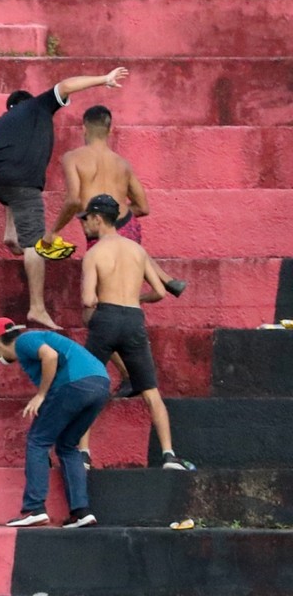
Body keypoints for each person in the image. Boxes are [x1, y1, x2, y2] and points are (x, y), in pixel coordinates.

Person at [0, 67, 129, 330]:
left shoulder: (2, 122)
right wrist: (103, 79)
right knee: (35, 243)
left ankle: (10, 233)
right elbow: (66, 85)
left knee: (15, 192)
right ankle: (37, 307)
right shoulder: (37, 107)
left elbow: (4, 168)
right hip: (21, 182)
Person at [78, 194, 195, 470]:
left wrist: (104, 301)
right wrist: (133, 299)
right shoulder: (137, 250)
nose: (84, 225)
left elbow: (87, 299)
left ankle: (83, 453)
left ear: (97, 218)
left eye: (86, 220)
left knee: (85, 384)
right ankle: (169, 454)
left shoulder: (94, 253)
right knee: (150, 390)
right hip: (132, 319)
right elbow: (158, 292)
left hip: (105, 319)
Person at [42, 104, 186, 297]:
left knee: (102, 294)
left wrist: (53, 231)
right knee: (125, 284)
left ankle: (162, 282)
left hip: (99, 230)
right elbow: (143, 207)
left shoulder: (73, 158)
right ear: (110, 130)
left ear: (83, 128)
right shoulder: (122, 163)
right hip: (127, 225)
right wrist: (115, 216)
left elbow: (74, 200)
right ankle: (165, 280)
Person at [0, 317, 110, 528]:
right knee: (68, 445)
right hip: (100, 385)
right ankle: (81, 512)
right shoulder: (30, 348)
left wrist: (41, 395)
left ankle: (34, 508)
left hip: (75, 384)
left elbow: (50, 356)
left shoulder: (24, 341)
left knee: (37, 441)